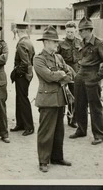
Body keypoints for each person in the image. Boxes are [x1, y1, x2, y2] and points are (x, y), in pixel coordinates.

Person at [33, 25, 72, 172]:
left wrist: (61, 75)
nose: (57, 44)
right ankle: (43, 161)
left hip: (60, 99)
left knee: (58, 131)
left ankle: (57, 157)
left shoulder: (59, 57)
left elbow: (70, 74)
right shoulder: (38, 59)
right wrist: (61, 75)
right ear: (46, 42)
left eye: (57, 42)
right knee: (46, 131)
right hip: (47, 100)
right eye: (55, 42)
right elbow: (48, 76)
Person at [69, 17, 103, 145]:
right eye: (79, 31)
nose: (79, 33)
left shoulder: (99, 43)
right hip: (80, 75)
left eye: (81, 31)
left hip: (92, 76)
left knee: (95, 107)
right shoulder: (82, 42)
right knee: (79, 105)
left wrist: (97, 77)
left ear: (88, 30)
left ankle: (99, 135)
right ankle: (81, 130)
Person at [10, 23, 35, 136]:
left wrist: (16, 72)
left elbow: (24, 63)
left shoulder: (21, 44)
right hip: (28, 74)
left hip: (22, 75)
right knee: (20, 98)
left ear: (17, 31)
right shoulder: (29, 42)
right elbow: (32, 60)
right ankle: (20, 123)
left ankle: (29, 126)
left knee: (23, 99)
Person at [57, 21, 81, 128]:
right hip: (63, 72)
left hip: (76, 73)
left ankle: (72, 120)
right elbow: (56, 58)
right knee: (61, 95)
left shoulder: (80, 42)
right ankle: (58, 119)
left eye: (71, 32)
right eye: (67, 32)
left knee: (74, 96)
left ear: (75, 31)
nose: (69, 34)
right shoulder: (60, 44)